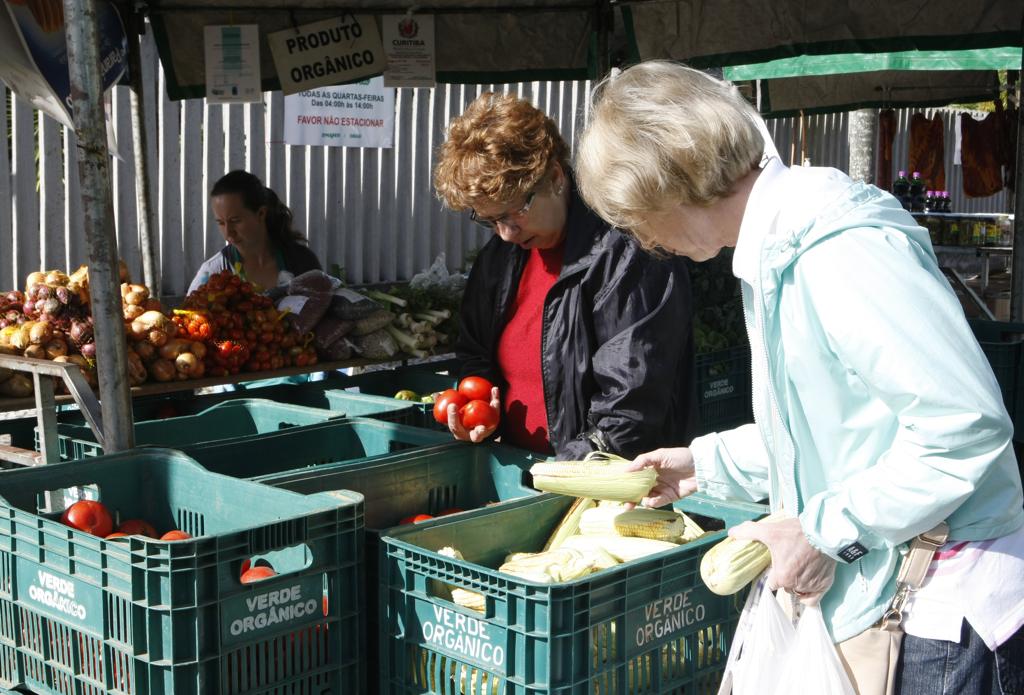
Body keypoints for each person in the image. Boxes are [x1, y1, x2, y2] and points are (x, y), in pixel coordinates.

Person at [575, 61, 1023, 694]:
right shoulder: (779, 248)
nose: (642, 240)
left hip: (940, 606)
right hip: (898, 586)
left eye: (634, 217)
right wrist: (704, 463)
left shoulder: (837, 249)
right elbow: (834, 426)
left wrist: (825, 531)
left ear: (668, 184)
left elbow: (965, 429)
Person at [432, 91, 699, 459]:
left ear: (555, 177)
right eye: (490, 220)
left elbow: (630, 404)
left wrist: (561, 472)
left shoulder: (626, 251)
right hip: (527, 474)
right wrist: (481, 406)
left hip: (609, 484)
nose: (505, 232)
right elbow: (475, 354)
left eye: (514, 212)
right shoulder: (500, 258)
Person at [187, 170, 321, 295]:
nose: (228, 232)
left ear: (261, 213)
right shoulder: (212, 273)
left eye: (235, 220)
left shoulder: (302, 262)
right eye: (221, 223)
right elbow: (188, 315)